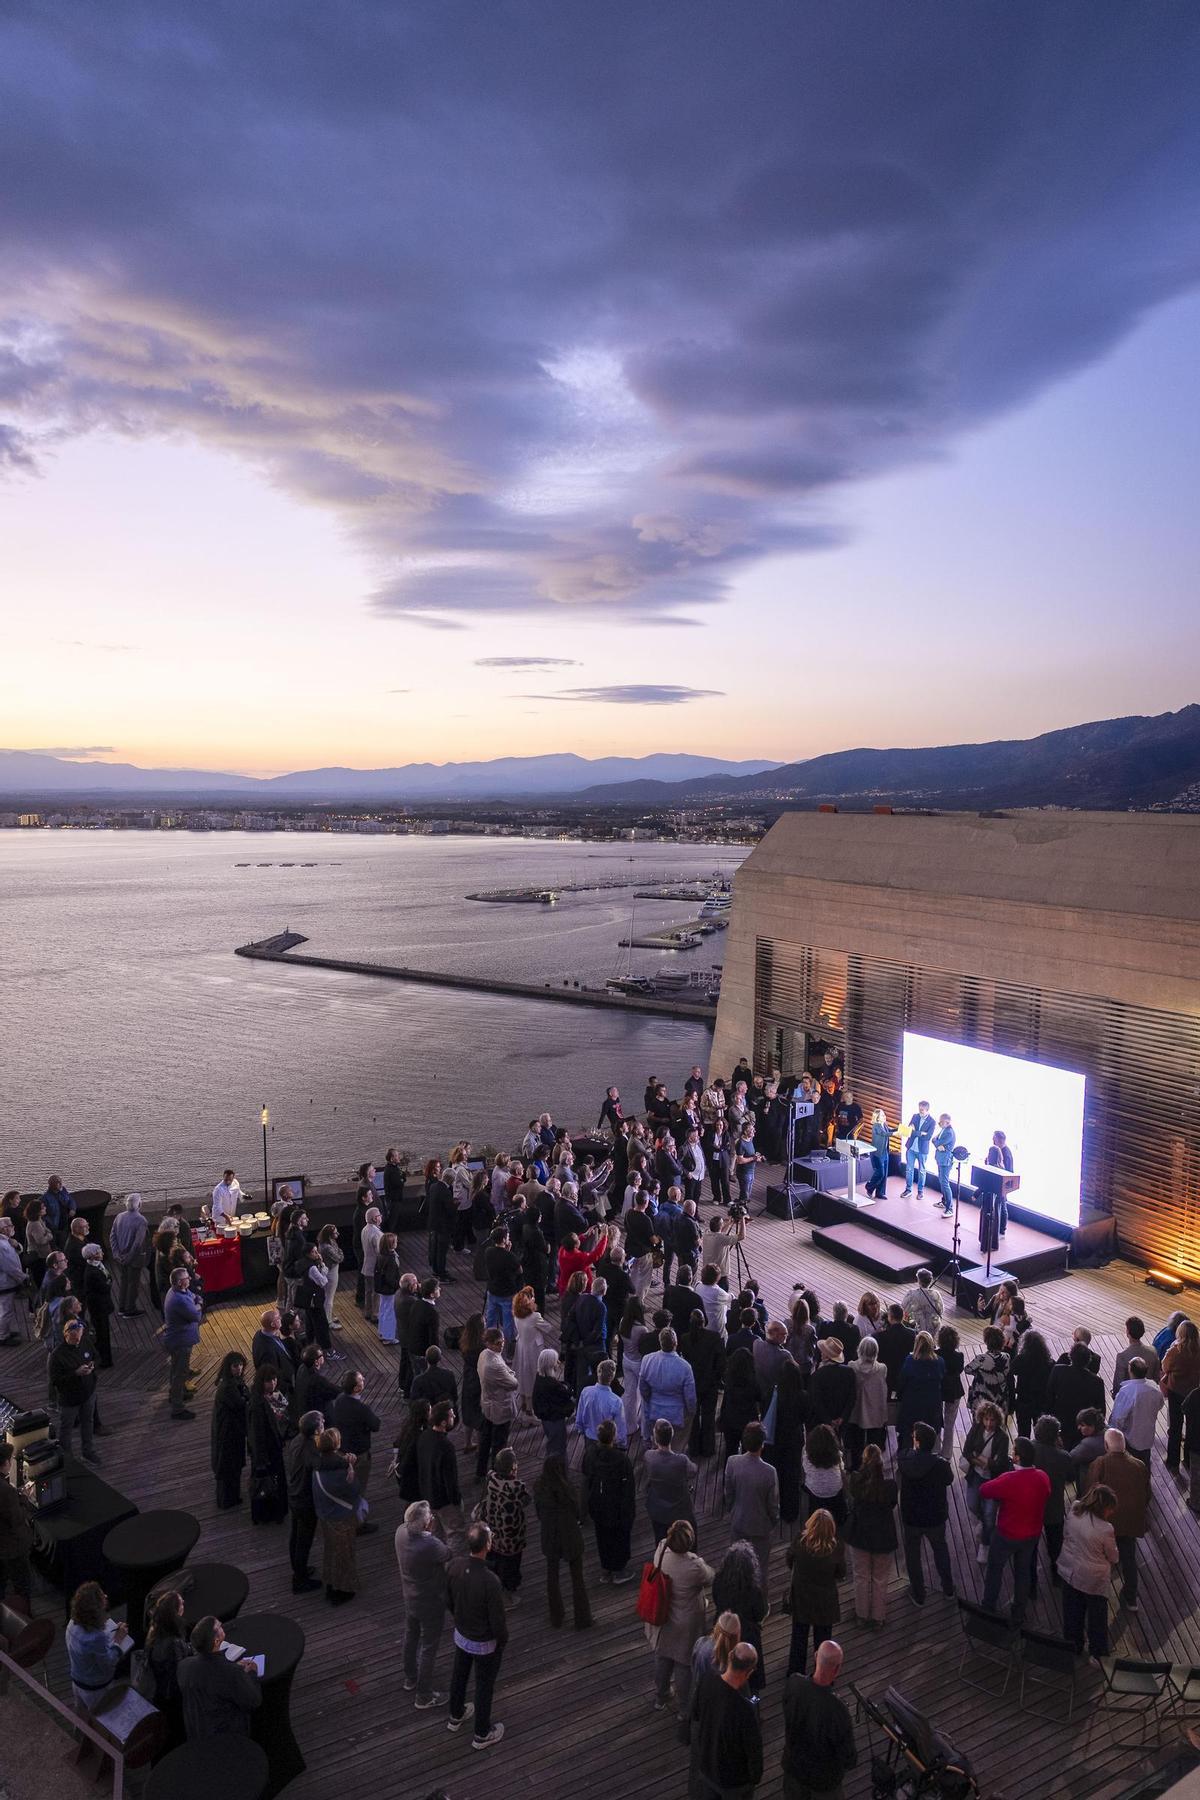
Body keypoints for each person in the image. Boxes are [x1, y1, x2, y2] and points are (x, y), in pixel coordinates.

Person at [447, 1521, 509, 1749]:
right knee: (484, 1685)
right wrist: (502, 1641)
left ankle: (456, 1715)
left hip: (462, 1634)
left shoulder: (453, 1566)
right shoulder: (490, 1581)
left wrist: (459, 1617)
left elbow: (448, 1599)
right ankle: (482, 1733)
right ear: (488, 1545)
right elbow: (497, 1621)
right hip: (484, 1643)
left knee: (459, 1675)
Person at [647, 1517, 713, 1717]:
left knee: (662, 1656)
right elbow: (710, 1577)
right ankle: (684, 1709)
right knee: (684, 1664)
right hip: (685, 1622)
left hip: (662, 1615)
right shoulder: (694, 1566)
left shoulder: (660, 1550)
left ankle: (661, 1696)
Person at [980, 1436, 1050, 1622]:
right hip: (1032, 1534)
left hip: (1007, 1534)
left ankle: (988, 1607)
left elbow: (985, 1490)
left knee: (995, 1568)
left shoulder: (1008, 1479)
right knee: (1023, 1572)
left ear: (1017, 1458)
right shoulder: (1042, 1477)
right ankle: (1019, 1611)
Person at [781, 1638, 857, 1800]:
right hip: (823, 1784)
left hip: (793, 1770)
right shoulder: (838, 1710)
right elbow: (848, 1756)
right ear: (837, 1669)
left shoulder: (794, 1683)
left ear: (816, 1656)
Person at [1084, 1427, 1150, 1612]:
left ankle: (1097, 1595)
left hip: (1106, 1522)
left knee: (1100, 1559)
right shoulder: (1139, 1465)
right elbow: (1147, 1494)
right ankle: (1131, 1598)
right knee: (1129, 1558)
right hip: (1130, 1522)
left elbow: (1091, 1491)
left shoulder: (1100, 1463)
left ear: (1106, 1445)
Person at [396, 1498, 452, 1708]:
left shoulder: (400, 1532)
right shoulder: (429, 1544)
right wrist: (435, 1531)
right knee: (429, 1646)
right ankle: (424, 1695)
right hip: (430, 1601)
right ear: (427, 1523)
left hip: (409, 1596)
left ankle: (410, 1677)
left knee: (411, 1635)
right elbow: (448, 1553)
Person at [690, 1641, 763, 1800]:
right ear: (749, 1672)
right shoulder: (746, 1710)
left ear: (730, 1656)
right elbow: (753, 1751)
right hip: (733, 1782)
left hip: (707, 1767)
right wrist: (755, 1777)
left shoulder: (707, 1679)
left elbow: (695, 1713)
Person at [532, 1453, 593, 1631]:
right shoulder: (568, 1489)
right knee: (577, 1578)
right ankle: (583, 1618)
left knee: (552, 1575)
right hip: (570, 1534)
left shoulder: (539, 1488)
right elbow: (578, 1513)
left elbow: (538, 1514)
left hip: (550, 1534)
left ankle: (556, 1616)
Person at [1057, 1483, 1119, 1657]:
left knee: (1071, 1612)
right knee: (1097, 1619)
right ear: (1104, 1508)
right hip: (1093, 1580)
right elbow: (1113, 1556)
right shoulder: (1105, 1529)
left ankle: (1073, 1646)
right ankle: (1097, 1654)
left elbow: (1066, 1533)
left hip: (1069, 1571)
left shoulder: (1075, 1508)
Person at [898, 1421, 955, 1606]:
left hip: (912, 1517)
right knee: (940, 1550)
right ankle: (948, 1589)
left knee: (913, 1555)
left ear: (917, 1442)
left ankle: (919, 1594)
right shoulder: (941, 1465)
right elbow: (949, 1480)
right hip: (935, 1517)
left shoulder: (905, 1460)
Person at [178, 1614, 262, 1738]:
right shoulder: (231, 1672)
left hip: (196, 1730)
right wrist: (252, 1673)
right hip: (227, 1733)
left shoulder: (183, 1666)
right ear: (216, 1641)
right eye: (219, 1627)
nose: (222, 1625)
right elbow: (254, 1701)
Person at [844, 1443, 897, 1628]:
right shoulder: (890, 1486)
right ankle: (878, 1617)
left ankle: (861, 1615)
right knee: (880, 1579)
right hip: (884, 1538)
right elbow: (892, 1505)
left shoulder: (856, 1481)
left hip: (860, 1535)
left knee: (860, 1576)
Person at [786, 1509, 846, 1675]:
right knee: (823, 1638)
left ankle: (795, 1671)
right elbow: (841, 1573)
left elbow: (789, 1559)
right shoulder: (836, 1547)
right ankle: (824, 1672)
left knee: (799, 1635)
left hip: (802, 1596)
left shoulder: (800, 1541)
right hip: (825, 1600)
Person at [724, 1421, 780, 1588]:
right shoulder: (769, 1472)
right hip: (760, 1527)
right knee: (760, 1568)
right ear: (762, 1444)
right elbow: (773, 1505)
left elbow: (729, 1493)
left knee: (735, 1565)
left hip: (738, 1522)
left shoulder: (732, 1462)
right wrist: (773, 1521)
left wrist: (732, 1511)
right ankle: (760, 1605)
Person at [313, 1424, 363, 1603]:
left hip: (325, 1514)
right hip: (340, 1516)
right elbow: (354, 1489)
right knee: (344, 1553)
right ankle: (342, 1589)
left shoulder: (319, 1464)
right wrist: (351, 1468)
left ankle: (330, 1583)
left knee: (330, 1551)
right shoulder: (339, 1471)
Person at [136, 1590, 192, 1749]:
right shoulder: (173, 1642)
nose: (183, 1606)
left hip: (158, 1693)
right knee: (175, 1732)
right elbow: (179, 1670)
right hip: (171, 1696)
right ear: (176, 1611)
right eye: (181, 1603)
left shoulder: (155, 1631)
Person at [582, 1417, 636, 1582]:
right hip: (617, 1507)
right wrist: (629, 1511)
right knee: (619, 1538)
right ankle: (619, 1571)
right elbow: (629, 1488)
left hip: (598, 1504)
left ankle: (606, 1570)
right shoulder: (621, 1460)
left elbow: (586, 1476)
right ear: (613, 1436)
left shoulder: (590, 1455)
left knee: (602, 1537)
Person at [66, 1580, 130, 1711]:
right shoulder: (96, 1637)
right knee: (100, 1719)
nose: (106, 1596)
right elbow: (108, 1663)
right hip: (95, 1689)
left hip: (78, 1682)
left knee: (81, 1717)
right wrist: (118, 1640)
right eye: (102, 1596)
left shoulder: (72, 1623)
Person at [711, 1542, 766, 1691]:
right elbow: (759, 1613)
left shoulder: (718, 1581)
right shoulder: (754, 1591)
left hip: (723, 1629)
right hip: (747, 1635)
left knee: (723, 1667)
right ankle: (753, 1704)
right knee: (751, 1677)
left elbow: (716, 1599)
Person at [1029, 1414, 1073, 1594]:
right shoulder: (1063, 1456)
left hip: (1031, 1507)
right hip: (1053, 1507)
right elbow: (1070, 1477)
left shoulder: (1028, 1449)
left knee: (1030, 1547)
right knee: (1056, 1544)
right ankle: (1057, 1576)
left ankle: (1031, 1584)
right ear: (1056, 1435)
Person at [284, 1410, 324, 1595]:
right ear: (315, 1430)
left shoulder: (297, 1440)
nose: (324, 1424)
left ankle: (298, 1569)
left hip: (294, 1494)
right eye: (321, 1423)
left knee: (295, 1536)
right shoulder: (309, 1449)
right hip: (305, 1500)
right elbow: (322, 1465)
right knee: (304, 1541)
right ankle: (300, 1580)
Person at [49, 1315, 99, 1462]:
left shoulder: (85, 1342)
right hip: (70, 1398)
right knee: (66, 1429)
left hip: (88, 1393)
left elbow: (96, 1356)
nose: (77, 1340)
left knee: (88, 1423)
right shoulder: (57, 1355)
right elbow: (55, 1380)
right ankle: (67, 1459)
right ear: (66, 1335)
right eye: (74, 1338)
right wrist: (75, 1373)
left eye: (79, 1336)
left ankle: (88, 1452)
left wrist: (92, 1365)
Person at [640, 1325, 697, 1450]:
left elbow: (643, 1389)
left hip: (655, 1411)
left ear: (660, 1342)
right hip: (677, 1414)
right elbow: (690, 1396)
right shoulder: (685, 1367)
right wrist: (691, 1411)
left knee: (658, 1445)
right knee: (676, 1446)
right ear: (676, 1343)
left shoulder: (647, 1360)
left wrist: (650, 1401)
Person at [330, 1367, 381, 1503]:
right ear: (356, 1389)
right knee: (359, 1487)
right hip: (359, 1454)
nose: (364, 1380)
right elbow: (376, 1425)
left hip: (342, 1449)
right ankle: (357, 1520)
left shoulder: (340, 1400)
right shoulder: (362, 1409)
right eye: (361, 1381)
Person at [477, 1326, 520, 1482]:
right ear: (488, 1343)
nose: (501, 1345)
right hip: (500, 1407)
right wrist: (510, 1374)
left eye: (502, 1341)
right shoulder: (495, 1365)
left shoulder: (484, 1355)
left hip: (487, 1403)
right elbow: (514, 1383)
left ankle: (480, 1472)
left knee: (485, 1440)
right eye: (497, 1343)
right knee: (499, 1443)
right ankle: (497, 1476)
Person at [248, 1366, 289, 1524]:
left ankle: (272, 1512)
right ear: (261, 1382)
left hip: (272, 1447)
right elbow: (256, 1433)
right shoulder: (258, 1404)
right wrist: (261, 1459)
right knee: (268, 1482)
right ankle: (271, 1514)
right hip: (266, 1451)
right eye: (268, 1381)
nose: (273, 1383)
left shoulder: (269, 1397)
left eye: (274, 1379)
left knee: (272, 1482)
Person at [161, 1266, 202, 1420]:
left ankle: (175, 1395)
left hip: (178, 1339)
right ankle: (177, 1408)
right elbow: (196, 1315)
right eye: (186, 1278)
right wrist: (199, 1305)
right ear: (179, 1282)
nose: (190, 1279)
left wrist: (196, 1302)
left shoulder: (177, 1291)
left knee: (176, 1369)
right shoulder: (178, 1300)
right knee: (180, 1373)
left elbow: (193, 1296)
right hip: (180, 1341)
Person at [210, 1350, 249, 1509]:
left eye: (240, 1365)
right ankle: (227, 1500)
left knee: (232, 1467)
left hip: (232, 1430)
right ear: (229, 1367)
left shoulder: (232, 1382)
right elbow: (239, 1404)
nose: (239, 1368)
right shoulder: (227, 1386)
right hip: (227, 1433)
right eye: (235, 1366)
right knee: (228, 1467)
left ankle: (231, 1497)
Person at [1109, 1356, 1165, 1467]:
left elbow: (1118, 1417)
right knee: (1145, 1464)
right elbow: (1160, 1404)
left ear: (1130, 1370)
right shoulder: (1154, 1387)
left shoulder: (1127, 1392)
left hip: (1130, 1438)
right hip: (1148, 1435)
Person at [1161, 1319, 1200, 1472]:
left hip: (1176, 1391)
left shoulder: (1175, 1351)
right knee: (1192, 1426)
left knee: (1176, 1426)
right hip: (1194, 1392)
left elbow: (1164, 1367)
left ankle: (1173, 1461)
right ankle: (1188, 1461)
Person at [0, 1440, 34, 1613]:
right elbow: (17, 1519)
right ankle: (24, 1617)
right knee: (22, 1584)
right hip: (11, 1547)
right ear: (5, 1463)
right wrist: (24, 1499)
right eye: (10, 1459)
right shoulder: (6, 1491)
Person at [896, 1331, 945, 1444]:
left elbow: (902, 1381)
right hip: (932, 1405)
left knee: (909, 1434)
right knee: (929, 1436)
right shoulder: (940, 1362)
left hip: (912, 1404)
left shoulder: (910, 1361)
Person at [109, 1193, 149, 1317]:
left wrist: (116, 1254)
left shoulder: (119, 1217)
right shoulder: (141, 1220)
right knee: (133, 1284)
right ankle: (130, 1309)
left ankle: (121, 1307)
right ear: (139, 1205)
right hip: (134, 1259)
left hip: (120, 1257)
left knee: (124, 1281)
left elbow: (112, 1237)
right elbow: (137, 1244)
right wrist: (128, 1258)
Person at [1012, 1330, 1054, 1439]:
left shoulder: (1021, 1359)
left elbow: (1013, 1370)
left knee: (1023, 1433)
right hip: (1041, 1401)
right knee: (1040, 1433)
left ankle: (1023, 1453)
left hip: (1024, 1400)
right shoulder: (1049, 1362)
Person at [1113, 1316, 1161, 1393]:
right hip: (1149, 1393)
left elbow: (1118, 1384)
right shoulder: (1153, 1351)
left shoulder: (1122, 1356)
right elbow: (1156, 1378)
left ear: (1128, 1333)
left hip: (1130, 1396)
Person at [900, 1101, 934, 1197]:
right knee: (909, 1170)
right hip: (911, 1148)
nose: (920, 1111)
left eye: (922, 1110)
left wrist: (915, 1132)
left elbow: (928, 1137)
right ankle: (908, 1190)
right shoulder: (915, 1116)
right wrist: (920, 1133)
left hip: (922, 1151)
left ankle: (920, 1192)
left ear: (927, 1110)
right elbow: (909, 1131)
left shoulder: (932, 1122)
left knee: (922, 1171)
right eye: (919, 1109)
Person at [410, 1344, 458, 1411]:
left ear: (426, 1359)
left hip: (427, 1414)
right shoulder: (449, 1375)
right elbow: (454, 1396)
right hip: (445, 1411)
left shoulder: (418, 1380)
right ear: (440, 1359)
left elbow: (414, 1402)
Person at [901, 1268, 944, 1335]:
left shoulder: (912, 1294)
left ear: (919, 1280)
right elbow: (940, 1310)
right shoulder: (936, 1294)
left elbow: (904, 1308)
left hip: (917, 1327)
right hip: (933, 1328)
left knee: (905, 1316)